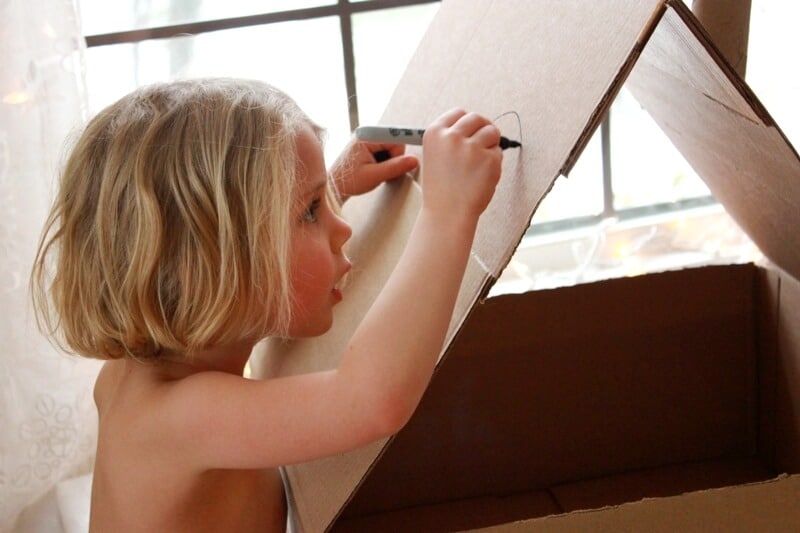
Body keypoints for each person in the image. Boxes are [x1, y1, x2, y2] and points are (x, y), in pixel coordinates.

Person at [30, 77, 502, 532]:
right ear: (218, 267)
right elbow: (371, 400)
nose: (343, 229)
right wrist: (447, 212)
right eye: (311, 212)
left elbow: (244, 267)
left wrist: (329, 186)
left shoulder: (149, 365)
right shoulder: (177, 416)